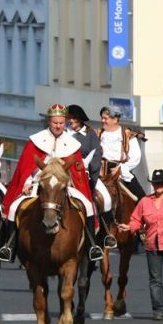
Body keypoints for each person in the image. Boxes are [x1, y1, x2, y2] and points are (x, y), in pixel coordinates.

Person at [0, 103, 104, 263]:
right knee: (13, 208)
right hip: (38, 184)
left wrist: (73, 182)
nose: (58, 126)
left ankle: (91, 247)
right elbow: (25, 168)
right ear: (49, 121)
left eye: (62, 123)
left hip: (64, 186)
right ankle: (10, 247)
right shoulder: (36, 140)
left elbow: (77, 171)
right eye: (55, 123)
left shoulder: (72, 143)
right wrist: (26, 182)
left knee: (88, 206)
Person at [117, 169, 163, 321]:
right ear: (152, 184)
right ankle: (157, 309)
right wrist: (130, 227)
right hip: (152, 244)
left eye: (161, 183)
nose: (158, 186)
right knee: (155, 279)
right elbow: (137, 219)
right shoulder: (145, 201)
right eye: (156, 183)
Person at [67, 104, 116, 249]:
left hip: (87, 172)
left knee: (106, 199)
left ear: (81, 119)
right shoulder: (63, 132)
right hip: (65, 172)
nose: (71, 121)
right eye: (69, 118)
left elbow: (96, 155)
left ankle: (106, 234)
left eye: (74, 118)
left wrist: (92, 176)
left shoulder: (90, 134)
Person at [98, 105, 146, 201]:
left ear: (115, 120)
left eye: (105, 118)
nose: (102, 121)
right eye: (102, 118)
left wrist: (120, 168)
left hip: (121, 173)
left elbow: (135, 157)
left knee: (143, 199)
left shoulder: (127, 134)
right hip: (100, 173)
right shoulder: (98, 134)